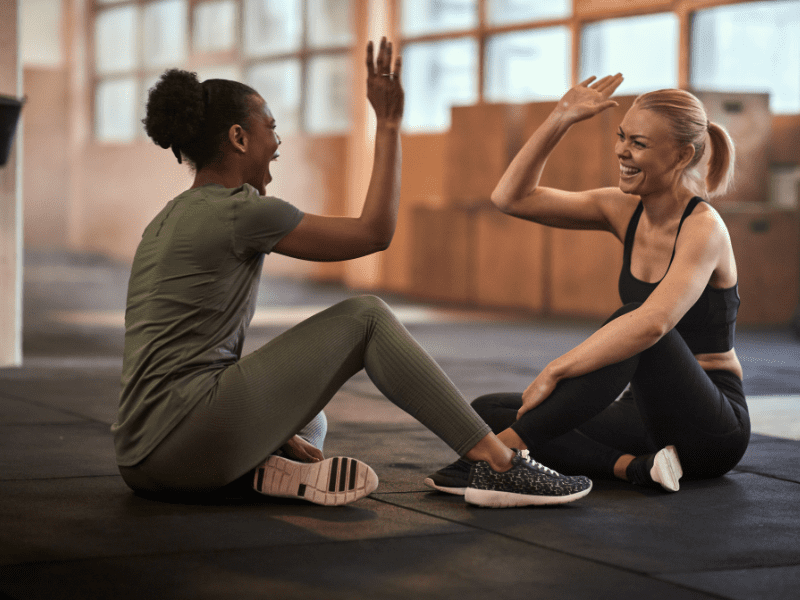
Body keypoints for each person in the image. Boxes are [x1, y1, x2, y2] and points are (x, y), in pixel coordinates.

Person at [111, 38, 592, 508]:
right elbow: (374, 233)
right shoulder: (243, 211)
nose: (277, 141)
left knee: (310, 420)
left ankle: (259, 470)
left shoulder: (166, 219)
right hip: (185, 438)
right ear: (239, 138)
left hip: (141, 458)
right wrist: (389, 124)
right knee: (367, 318)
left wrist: (272, 430)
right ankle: (498, 463)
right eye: (270, 127)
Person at [426, 75, 750, 495]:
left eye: (638, 143)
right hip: (641, 418)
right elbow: (510, 198)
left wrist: (556, 370)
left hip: (710, 429)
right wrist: (560, 118)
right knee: (488, 411)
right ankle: (634, 468)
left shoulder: (704, 228)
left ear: (682, 154)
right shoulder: (622, 209)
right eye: (621, 137)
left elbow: (654, 323)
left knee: (635, 320)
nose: (622, 151)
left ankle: (497, 458)